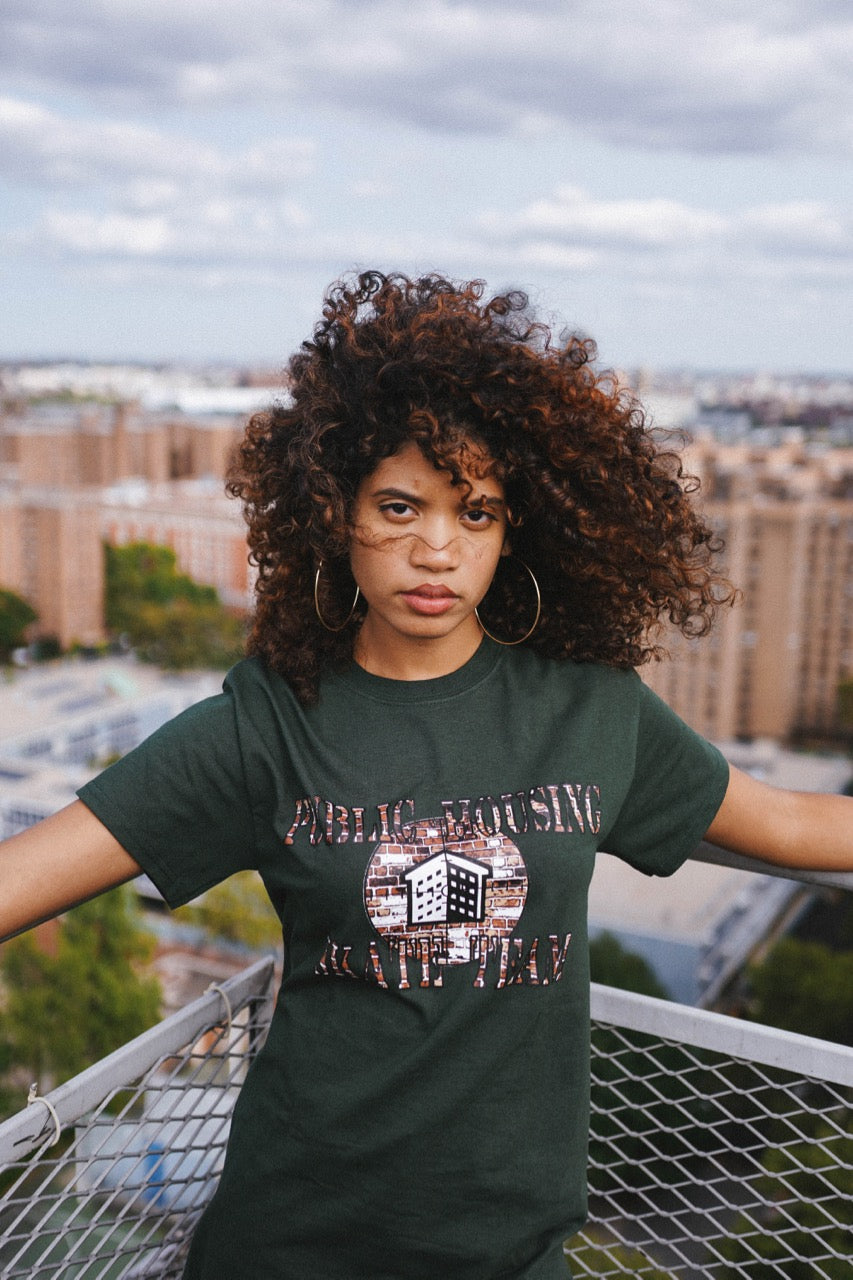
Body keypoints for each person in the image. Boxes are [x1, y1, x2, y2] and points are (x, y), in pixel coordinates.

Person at [1, 271, 851, 1280]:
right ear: (335, 512)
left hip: (512, 1251)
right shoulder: (268, 723)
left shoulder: (588, 707)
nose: (436, 548)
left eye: (477, 512)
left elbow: (794, 825)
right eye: (398, 505)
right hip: (291, 1244)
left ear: (514, 528)